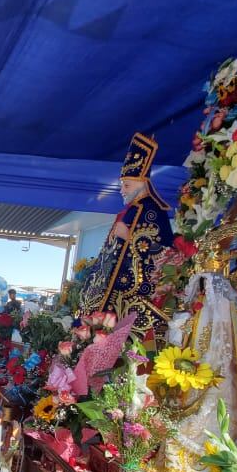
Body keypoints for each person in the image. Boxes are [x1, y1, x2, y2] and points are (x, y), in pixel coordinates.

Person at [79, 132, 174, 335]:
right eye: (122, 184)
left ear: (143, 183)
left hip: (133, 294)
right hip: (113, 294)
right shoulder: (130, 210)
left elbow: (162, 251)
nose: (121, 189)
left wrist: (129, 238)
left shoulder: (152, 211)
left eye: (127, 184)